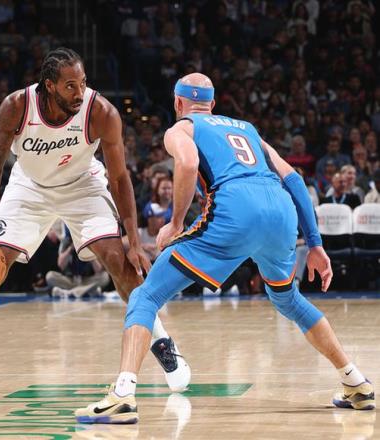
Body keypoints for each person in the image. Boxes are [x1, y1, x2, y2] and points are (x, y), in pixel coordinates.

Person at [76, 73, 375, 424]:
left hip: (236, 208)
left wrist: (175, 222)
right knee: (288, 299)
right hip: (280, 210)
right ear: (213, 104)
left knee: (145, 296)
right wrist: (315, 244)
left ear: (178, 103)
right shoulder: (248, 129)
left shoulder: (181, 128)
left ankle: (123, 395)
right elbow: (293, 178)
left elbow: (188, 163)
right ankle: (354, 380)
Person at [0, 48, 190, 397]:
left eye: (83, 83)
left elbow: (119, 178)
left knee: (117, 260)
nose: (79, 93)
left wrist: (134, 241)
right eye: (70, 86)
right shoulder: (16, 106)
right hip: (29, 186)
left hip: (82, 185)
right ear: (49, 85)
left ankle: (163, 344)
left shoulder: (101, 112)